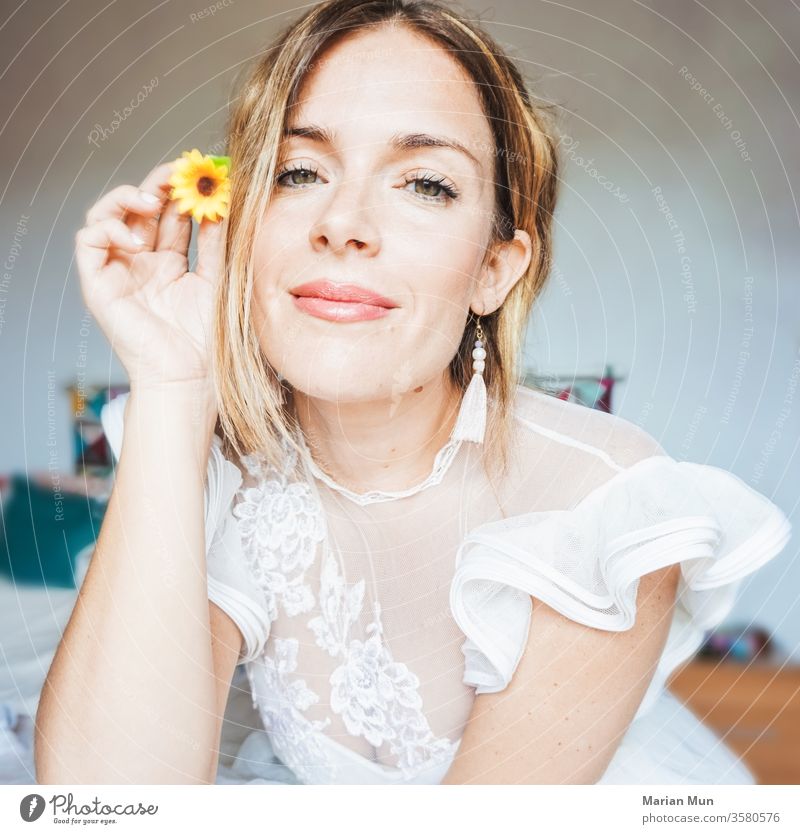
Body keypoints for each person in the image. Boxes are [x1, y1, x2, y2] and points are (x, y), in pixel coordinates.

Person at [36, 0, 791, 785]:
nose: (343, 222)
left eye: (425, 184)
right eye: (300, 172)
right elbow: (108, 802)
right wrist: (174, 382)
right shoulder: (220, 466)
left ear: (494, 270)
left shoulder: (603, 505)